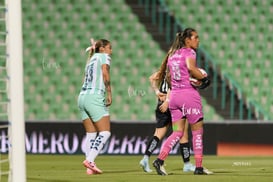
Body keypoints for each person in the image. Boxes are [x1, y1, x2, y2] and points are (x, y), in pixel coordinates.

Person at [152, 28, 211, 175]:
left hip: (175, 97)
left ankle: (159, 160)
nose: (198, 40)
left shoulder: (173, 55)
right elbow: (192, 69)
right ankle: (198, 167)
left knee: (177, 132)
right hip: (188, 96)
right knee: (197, 132)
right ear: (187, 40)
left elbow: (170, 78)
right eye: (195, 37)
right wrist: (203, 79)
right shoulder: (190, 53)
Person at [139, 58, 195, 173]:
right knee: (182, 134)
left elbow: (152, 78)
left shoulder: (163, 70)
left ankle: (145, 158)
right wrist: (168, 101)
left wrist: (156, 92)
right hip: (172, 104)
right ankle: (187, 164)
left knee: (158, 135)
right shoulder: (176, 70)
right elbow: (172, 86)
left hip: (161, 104)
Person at [77, 38, 112, 175]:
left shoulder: (90, 60)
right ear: (102, 48)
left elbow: (86, 76)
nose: (111, 51)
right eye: (109, 47)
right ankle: (90, 160)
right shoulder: (104, 56)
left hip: (82, 96)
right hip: (94, 96)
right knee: (105, 132)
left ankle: (89, 168)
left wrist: (92, 52)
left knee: (91, 133)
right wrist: (109, 92)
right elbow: (105, 73)